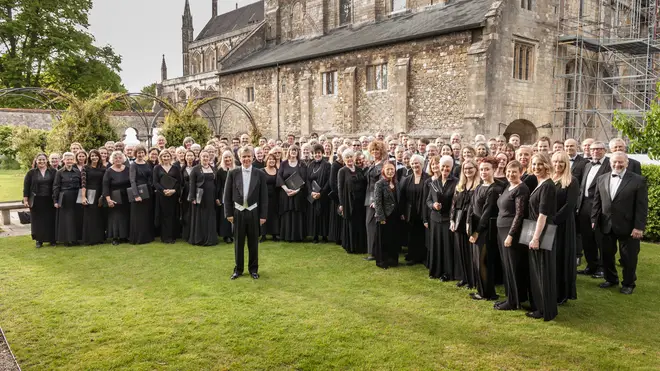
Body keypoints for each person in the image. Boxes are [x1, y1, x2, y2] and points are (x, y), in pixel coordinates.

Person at [591, 152, 648, 295]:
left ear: (627, 163)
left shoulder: (638, 181)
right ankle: (611, 279)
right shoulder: (601, 178)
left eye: (621, 162)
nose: (617, 165)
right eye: (614, 162)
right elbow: (597, 203)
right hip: (606, 225)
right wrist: (594, 219)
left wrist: (639, 227)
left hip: (628, 227)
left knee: (629, 257)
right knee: (607, 255)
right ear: (610, 163)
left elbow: (642, 207)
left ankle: (628, 283)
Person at [225, 146, 269, 280]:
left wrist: (263, 216)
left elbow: (264, 196)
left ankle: (253, 269)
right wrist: (229, 213)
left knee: (253, 243)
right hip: (238, 212)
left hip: (253, 212)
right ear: (239, 158)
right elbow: (227, 195)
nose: (246, 159)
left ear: (253, 157)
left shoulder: (260, 173)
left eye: (249, 156)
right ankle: (238, 269)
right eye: (244, 157)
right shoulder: (232, 173)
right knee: (238, 242)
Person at [526, 153, 558, 321]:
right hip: (535, 229)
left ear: (546, 165)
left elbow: (543, 215)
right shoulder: (540, 183)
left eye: (540, 164)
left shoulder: (547, 186)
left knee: (542, 270)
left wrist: (536, 237)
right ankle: (539, 306)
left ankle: (544, 309)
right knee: (537, 269)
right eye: (534, 164)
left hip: (542, 230)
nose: (536, 167)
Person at [494, 160, 530, 310]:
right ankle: (512, 297)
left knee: (513, 266)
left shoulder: (521, 189)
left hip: (511, 232)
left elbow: (519, 214)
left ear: (521, 172)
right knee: (507, 266)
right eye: (508, 171)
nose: (510, 174)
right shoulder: (509, 186)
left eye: (514, 172)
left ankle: (514, 301)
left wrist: (510, 235)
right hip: (502, 230)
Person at [467, 157, 503, 301]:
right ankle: (481, 289)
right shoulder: (479, 186)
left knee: (483, 261)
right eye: (481, 169)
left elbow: (487, 213)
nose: (484, 172)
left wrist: (477, 232)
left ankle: (487, 293)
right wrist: (469, 226)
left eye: (487, 169)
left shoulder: (494, 189)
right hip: (476, 227)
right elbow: (472, 206)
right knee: (478, 260)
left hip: (486, 231)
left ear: (494, 170)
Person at [577, 141, 610, 278]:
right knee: (587, 238)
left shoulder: (609, 165)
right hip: (584, 206)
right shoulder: (587, 165)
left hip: (600, 207)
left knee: (600, 239)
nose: (595, 151)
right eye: (593, 149)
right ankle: (591, 265)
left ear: (604, 150)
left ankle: (603, 268)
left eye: (599, 149)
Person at [552, 151, 579, 304]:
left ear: (566, 164)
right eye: (555, 161)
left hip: (562, 225)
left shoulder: (571, 181)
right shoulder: (549, 178)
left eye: (561, 162)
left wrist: (554, 220)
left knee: (561, 256)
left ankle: (562, 294)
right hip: (549, 222)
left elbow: (570, 205)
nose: (558, 165)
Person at [425, 156, 458, 280]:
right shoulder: (434, 182)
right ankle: (436, 271)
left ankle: (447, 273)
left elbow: (456, 203)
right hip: (435, 219)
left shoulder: (456, 182)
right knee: (436, 246)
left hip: (447, 220)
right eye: (443, 166)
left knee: (447, 247)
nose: (445, 168)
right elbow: (428, 200)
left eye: (447, 166)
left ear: (451, 168)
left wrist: (452, 218)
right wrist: (433, 205)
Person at [450, 159, 479, 288]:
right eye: (465, 169)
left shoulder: (478, 185)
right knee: (460, 250)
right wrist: (451, 220)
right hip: (458, 220)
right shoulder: (460, 185)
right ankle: (465, 278)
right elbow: (453, 204)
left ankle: (473, 280)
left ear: (475, 169)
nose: (467, 171)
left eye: (470, 168)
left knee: (470, 252)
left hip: (471, 221)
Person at [399, 154, 430, 266]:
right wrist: (402, 212)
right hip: (410, 212)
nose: (414, 165)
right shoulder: (406, 180)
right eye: (412, 163)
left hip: (423, 211)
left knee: (423, 235)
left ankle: (423, 257)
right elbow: (402, 198)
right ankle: (413, 256)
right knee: (412, 234)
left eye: (416, 163)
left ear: (421, 164)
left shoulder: (428, 178)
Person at [23, 153, 57, 248]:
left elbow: (56, 185)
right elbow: (26, 187)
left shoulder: (53, 171)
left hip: (49, 199)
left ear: (47, 161)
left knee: (50, 219)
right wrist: (26, 200)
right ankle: (39, 240)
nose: (41, 161)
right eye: (39, 160)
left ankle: (52, 239)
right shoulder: (31, 173)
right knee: (37, 220)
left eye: (43, 159)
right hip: (36, 200)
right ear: (36, 161)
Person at [337, 149, 368, 254]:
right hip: (349, 202)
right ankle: (351, 246)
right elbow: (340, 188)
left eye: (351, 157)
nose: (349, 159)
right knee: (351, 224)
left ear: (354, 158)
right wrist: (341, 204)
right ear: (344, 160)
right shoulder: (342, 171)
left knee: (360, 223)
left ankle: (361, 246)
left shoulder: (359, 170)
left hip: (360, 201)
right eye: (347, 157)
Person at [373, 161, 401, 269]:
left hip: (395, 216)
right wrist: (381, 217)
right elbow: (377, 202)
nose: (390, 171)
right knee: (383, 240)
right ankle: (382, 262)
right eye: (388, 169)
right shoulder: (379, 184)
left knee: (393, 239)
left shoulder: (396, 183)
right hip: (385, 216)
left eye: (392, 169)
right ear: (383, 171)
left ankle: (393, 260)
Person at [188, 150, 219, 246]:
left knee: (210, 216)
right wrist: (192, 197)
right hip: (200, 196)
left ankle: (211, 239)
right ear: (200, 157)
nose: (205, 158)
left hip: (211, 196)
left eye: (207, 156)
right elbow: (192, 184)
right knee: (200, 217)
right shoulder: (195, 169)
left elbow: (216, 183)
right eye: (203, 156)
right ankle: (199, 239)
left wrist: (217, 197)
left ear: (209, 158)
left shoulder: (214, 169)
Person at [276, 144, 307, 242]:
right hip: (286, 193)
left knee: (297, 213)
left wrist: (297, 190)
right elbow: (279, 177)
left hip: (298, 193)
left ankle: (298, 236)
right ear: (288, 152)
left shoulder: (301, 164)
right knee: (287, 213)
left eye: (295, 150)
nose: (293, 152)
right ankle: (287, 236)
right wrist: (286, 189)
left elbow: (304, 178)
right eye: (291, 150)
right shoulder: (283, 164)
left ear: (298, 152)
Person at [153, 149, 182, 244]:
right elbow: (155, 182)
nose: (166, 158)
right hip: (162, 195)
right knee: (163, 215)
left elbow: (179, 182)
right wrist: (163, 191)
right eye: (164, 156)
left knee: (172, 215)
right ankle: (165, 237)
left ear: (171, 157)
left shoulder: (175, 168)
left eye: (167, 156)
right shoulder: (157, 168)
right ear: (161, 157)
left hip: (173, 195)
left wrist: (173, 190)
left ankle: (172, 236)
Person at [53, 152, 82, 246]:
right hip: (65, 197)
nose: (69, 161)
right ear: (64, 160)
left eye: (71, 159)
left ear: (73, 160)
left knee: (76, 218)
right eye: (67, 159)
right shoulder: (59, 172)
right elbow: (56, 186)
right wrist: (55, 200)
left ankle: (75, 239)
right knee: (66, 219)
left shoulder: (78, 171)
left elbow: (82, 185)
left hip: (76, 196)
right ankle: (66, 240)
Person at [364, 141, 387, 260]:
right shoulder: (373, 164)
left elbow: (382, 183)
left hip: (375, 198)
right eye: (373, 150)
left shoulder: (383, 165)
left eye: (377, 150)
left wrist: (376, 201)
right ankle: (372, 251)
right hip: (369, 197)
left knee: (372, 224)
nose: (374, 152)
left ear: (381, 151)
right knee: (370, 224)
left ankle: (374, 252)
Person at [128, 145, 155, 245]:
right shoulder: (133, 165)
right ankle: (138, 238)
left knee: (147, 215)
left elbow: (151, 177)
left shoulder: (147, 163)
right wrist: (136, 195)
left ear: (145, 153)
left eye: (142, 152)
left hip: (148, 191)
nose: (140, 154)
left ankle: (147, 237)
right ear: (135, 154)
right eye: (138, 153)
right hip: (138, 192)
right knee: (138, 216)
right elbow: (132, 180)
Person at [103, 151, 131, 245]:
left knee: (125, 217)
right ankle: (115, 237)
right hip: (114, 197)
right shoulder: (109, 171)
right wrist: (108, 199)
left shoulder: (128, 169)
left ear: (123, 159)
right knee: (115, 218)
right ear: (112, 160)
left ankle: (124, 236)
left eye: (119, 158)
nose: (118, 160)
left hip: (126, 197)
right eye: (115, 158)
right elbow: (105, 186)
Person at [81, 149, 106, 245]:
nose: (94, 157)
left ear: (99, 157)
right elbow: (83, 183)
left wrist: (103, 195)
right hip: (89, 192)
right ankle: (89, 239)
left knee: (99, 216)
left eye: (96, 155)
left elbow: (105, 183)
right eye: (92, 156)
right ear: (89, 158)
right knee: (89, 216)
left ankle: (99, 238)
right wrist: (83, 197)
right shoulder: (85, 168)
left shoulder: (103, 168)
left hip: (100, 192)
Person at [307, 144, 331, 243]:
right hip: (312, 194)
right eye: (315, 153)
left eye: (319, 153)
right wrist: (311, 192)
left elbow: (329, 180)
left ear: (322, 153)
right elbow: (307, 180)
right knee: (314, 216)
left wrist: (321, 193)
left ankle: (324, 236)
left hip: (323, 194)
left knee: (323, 215)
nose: (317, 155)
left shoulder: (327, 165)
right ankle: (315, 236)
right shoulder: (310, 165)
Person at [328, 145, 346, 245]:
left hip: (345, 195)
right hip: (337, 195)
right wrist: (339, 195)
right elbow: (332, 182)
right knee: (337, 217)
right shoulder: (335, 165)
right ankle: (337, 237)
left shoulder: (347, 164)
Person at [217, 150, 236, 243]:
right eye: (226, 157)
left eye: (229, 157)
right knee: (226, 216)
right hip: (224, 195)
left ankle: (235, 233)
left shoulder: (237, 169)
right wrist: (218, 198)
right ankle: (226, 235)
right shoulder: (220, 170)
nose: (228, 159)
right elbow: (218, 185)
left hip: (236, 195)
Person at [261, 153, 280, 242]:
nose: (272, 161)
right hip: (264, 196)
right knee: (264, 214)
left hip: (275, 196)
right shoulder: (261, 171)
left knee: (274, 215)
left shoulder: (278, 171)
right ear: (266, 161)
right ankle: (263, 235)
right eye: (270, 159)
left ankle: (274, 234)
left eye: (273, 159)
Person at [180, 150, 196, 242]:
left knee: (194, 212)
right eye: (188, 155)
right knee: (186, 213)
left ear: (194, 157)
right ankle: (186, 234)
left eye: (191, 155)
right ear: (185, 157)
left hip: (194, 192)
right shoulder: (182, 169)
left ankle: (194, 233)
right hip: (185, 193)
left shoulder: (197, 168)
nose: (189, 157)